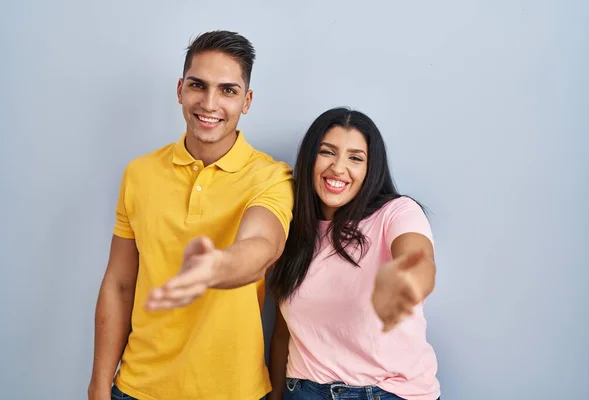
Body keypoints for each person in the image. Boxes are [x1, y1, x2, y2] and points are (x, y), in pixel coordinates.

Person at [88, 30, 294, 400]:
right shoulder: (140, 173)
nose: (210, 103)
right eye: (198, 85)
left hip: (236, 392)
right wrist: (99, 383)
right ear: (181, 89)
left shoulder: (272, 177)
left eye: (228, 90)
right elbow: (119, 284)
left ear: (246, 101)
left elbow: (261, 246)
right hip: (136, 389)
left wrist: (215, 267)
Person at [267, 107, 441, 400]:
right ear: (310, 158)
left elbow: (417, 258)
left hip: (390, 393)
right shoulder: (293, 227)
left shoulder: (396, 213)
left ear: (370, 168)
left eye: (355, 158)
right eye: (327, 152)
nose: (338, 168)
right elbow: (285, 331)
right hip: (306, 391)